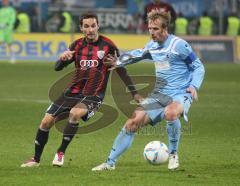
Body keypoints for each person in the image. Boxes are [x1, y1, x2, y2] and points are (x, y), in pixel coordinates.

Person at [21, 12, 141, 168]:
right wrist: (62, 59)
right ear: (81, 28)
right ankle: (35, 159)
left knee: (75, 113)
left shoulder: (108, 46)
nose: (90, 29)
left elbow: (121, 70)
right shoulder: (77, 45)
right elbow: (57, 67)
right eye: (86, 26)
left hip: (94, 94)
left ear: (98, 26)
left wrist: (135, 93)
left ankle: (60, 152)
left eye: (93, 26)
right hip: (73, 91)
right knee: (46, 122)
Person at [92, 10, 205, 171]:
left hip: (180, 92)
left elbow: (198, 67)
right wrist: (119, 61)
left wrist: (194, 86)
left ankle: (173, 154)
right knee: (132, 122)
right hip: (159, 94)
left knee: (171, 113)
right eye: (150, 28)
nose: (152, 32)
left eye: (156, 29)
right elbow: (137, 54)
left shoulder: (179, 45)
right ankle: (110, 163)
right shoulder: (152, 46)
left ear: (165, 28)